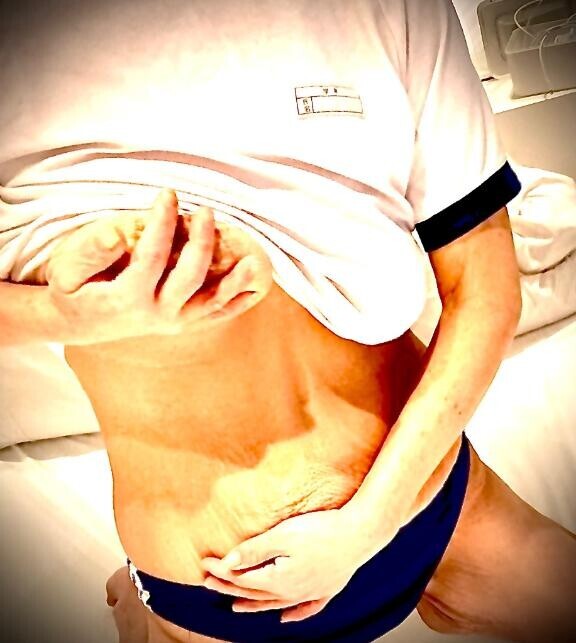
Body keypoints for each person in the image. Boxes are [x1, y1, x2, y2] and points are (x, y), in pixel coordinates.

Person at [1, 1, 575, 642]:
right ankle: (140, 601)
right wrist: (62, 313)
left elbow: (485, 292)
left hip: (432, 499)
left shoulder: (398, 11)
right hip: (230, 595)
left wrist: (370, 523)